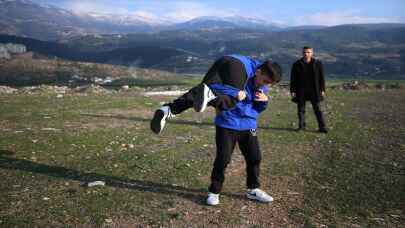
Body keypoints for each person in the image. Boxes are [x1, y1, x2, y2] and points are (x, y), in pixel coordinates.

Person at [150, 55, 282, 205]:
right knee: (222, 160)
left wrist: (264, 102)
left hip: (248, 125)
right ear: (258, 72)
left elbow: (257, 108)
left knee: (254, 158)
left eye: (269, 84)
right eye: (265, 81)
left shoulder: (261, 86)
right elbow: (223, 87)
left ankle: (253, 189)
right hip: (227, 124)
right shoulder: (240, 76)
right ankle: (214, 191)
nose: (265, 85)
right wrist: (234, 96)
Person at [290, 46, 328, 133]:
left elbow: (321, 78)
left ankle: (322, 127)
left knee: (318, 109)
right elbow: (293, 79)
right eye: (304, 52)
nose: (306, 54)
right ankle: (301, 127)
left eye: (308, 52)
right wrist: (292, 90)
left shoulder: (317, 63)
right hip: (301, 90)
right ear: (302, 53)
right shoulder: (296, 64)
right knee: (301, 110)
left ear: (312, 53)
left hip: (314, 90)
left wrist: (322, 90)